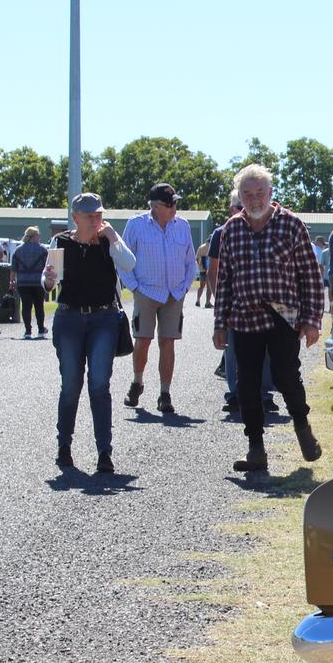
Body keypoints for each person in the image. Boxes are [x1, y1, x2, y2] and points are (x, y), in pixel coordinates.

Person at [213, 163, 324, 469]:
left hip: (283, 316)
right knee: (246, 384)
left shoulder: (291, 224)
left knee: (285, 375)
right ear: (240, 197)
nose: (254, 199)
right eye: (247, 194)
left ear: (270, 193)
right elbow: (224, 280)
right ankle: (256, 449)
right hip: (244, 318)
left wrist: (312, 319)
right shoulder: (231, 230)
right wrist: (219, 324)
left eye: (260, 192)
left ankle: (302, 427)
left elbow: (311, 276)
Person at [43, 193, 136, 472]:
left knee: (99, 384)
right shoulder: (60, 242)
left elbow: (129, 264)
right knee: (71, 384)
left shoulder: (109, 242)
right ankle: (64, 446)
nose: (97, 220)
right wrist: (47, 280)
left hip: (104, 319)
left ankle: (104, 452)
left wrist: (114, 237)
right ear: (75, 218)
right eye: (90, 216)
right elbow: (49, 281)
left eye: (99, 215)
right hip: (70, 317)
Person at [120, 183, 198, 415]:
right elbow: (122, 259)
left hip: (174, 293)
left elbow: (189, 260)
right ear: (154, 207)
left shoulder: (182, 226)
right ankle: (137, 381)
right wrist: (134, 287)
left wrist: (184, 287)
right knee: (143, 339)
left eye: (175, 202)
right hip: (146, 291)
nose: (174, 207)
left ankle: (165, 393)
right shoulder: (136, 225)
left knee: (168, 341)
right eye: (169, 203)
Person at [208, 193, 278, 414]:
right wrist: (220, 303)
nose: (245, 208)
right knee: (232, 351)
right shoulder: (222, 232)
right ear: (232, 208)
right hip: (233, 302)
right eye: (240, 205)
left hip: (264, 304)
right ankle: (235, 394)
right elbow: (214, 271)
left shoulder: (269, 228)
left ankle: (264, 394)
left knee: (265, 351)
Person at [10, 226, 49, 338]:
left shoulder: (18, 250)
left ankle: (28, 331)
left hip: (23, 282)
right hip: (38, 282)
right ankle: (41, 329)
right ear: (34, 237)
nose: (40, 237)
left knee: (26, 306)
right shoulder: (42, 250)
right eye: (39, 235)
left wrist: (12, 281)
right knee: (39, 306)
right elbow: (47, 266)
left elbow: (13, 268)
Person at [194, 238, 212, 307]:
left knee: (201, 286)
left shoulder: (201, 247)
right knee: (209, 287)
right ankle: (207, 302)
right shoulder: (211, 246)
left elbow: (197, 258)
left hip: (202, 270)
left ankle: (198, 300)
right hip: (210, 270)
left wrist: (200, 266)